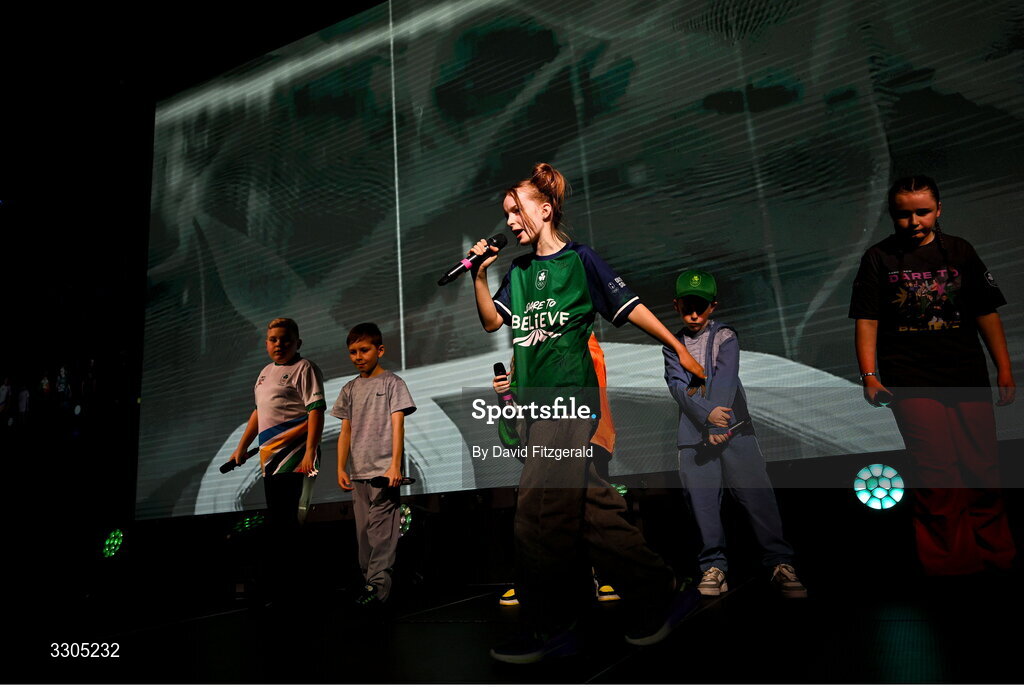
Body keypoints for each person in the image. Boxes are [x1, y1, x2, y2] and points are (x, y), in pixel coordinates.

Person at [466, 162, 705, 663]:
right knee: (590, 512)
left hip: (569, 400)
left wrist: (677, 348)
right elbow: (493, 322)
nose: (509, 222)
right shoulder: (519, 272)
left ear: (545, 209)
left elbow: (631, 306)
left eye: (517, 210)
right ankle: (663, 594)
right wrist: (480, 277)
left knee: (537, 514)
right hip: (534, 406)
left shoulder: (580, 260)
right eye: (506, 214)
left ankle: (550, 626)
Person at [849, 175, 1016, 576]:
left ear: (939, 209)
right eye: (903, 214)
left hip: (965, 374)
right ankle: (950, 565)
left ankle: (997, 558)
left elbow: (985, 313)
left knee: (981, 468)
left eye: (922, 212)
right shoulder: (879, 258)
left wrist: (1004, 368)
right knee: (937, 474)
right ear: (893, 215)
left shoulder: (960, 251)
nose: (914, 221)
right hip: (910, 378)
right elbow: (867, 320)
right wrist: (869, 375)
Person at [664, 269, 806, 598]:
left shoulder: (725, 336)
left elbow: (725, 380)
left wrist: (719, 423)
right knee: (701, 505)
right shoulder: (672, 345)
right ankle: (713, 566)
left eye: (700, 307)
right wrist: (706, 418)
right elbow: (677, 386)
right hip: (693, 436)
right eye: (687, 306)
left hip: (735, 431)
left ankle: (779, 563)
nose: (694, 314)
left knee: (758, 498)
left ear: (713, 306)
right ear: (676, 306)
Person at [229, 317, 326, 601]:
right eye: (273, 340)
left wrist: (310, 452)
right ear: (266, 343)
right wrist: (241, 447)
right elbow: (258, 413)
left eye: (285, 339)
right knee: (279, 525)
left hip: (298, 459)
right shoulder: (264, 374)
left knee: (292, 526)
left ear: (298, 342)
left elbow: (316, 411)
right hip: (271, 462)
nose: (279, 344)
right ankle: (283, 589)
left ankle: (300, 591)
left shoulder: (304, 368)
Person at [331, 322, 416, 607]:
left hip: (383, 472)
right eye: (353, 352)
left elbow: (398, 426)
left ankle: (377, 588)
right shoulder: (349, 389)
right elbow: (345, 431)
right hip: (358, 473)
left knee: (381, 533)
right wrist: (341, 467)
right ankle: (370, 584)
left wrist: (395, 466)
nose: (358, 356)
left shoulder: (393, 383)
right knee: (363, 535)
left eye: (364, 350)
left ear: (379, 350)